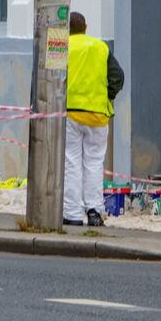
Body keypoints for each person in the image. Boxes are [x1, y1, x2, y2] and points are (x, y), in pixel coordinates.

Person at [64, 12, 124, 227]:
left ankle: (71, 214)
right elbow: (118, 77)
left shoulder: (61, 47)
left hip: (71, 113)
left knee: (71, 163)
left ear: (65, 29)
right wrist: (107, 97)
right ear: (86, 27)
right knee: (94, 164)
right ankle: (95, 212)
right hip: (98, 115)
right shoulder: (101, 47)